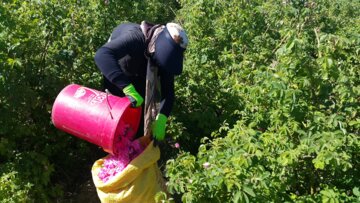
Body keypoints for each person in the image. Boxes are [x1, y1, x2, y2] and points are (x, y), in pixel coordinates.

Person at [94, 21, 188, 142]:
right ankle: (109, 149)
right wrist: (127, 88)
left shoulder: (167, 59)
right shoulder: (135, 37)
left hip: (141, 78)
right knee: (112, 123)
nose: (161, 64)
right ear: (156, 48)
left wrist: (162, 118)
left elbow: (168, 93)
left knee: (137, 122)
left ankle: (132, 150)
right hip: (118, 76)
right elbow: (102, 55)